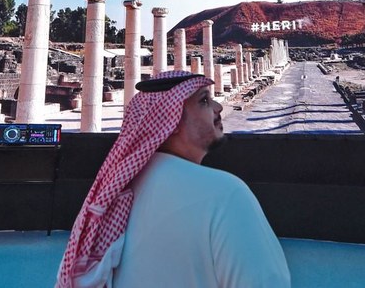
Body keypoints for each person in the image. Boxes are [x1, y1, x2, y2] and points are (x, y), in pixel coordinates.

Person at [56, 70, 291, 288]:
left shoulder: (119, 189)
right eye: (204, 101)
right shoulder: (226, 194)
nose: (218, 107)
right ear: (172, 119)